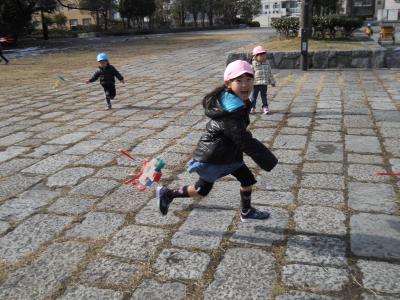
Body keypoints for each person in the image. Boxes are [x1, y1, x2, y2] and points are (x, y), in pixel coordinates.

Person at [156, 60, 278, 222]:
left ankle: (246, 211)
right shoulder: (230, 110)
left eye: (249, 80)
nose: (245, 85)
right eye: (239, 80)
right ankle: (168, 193)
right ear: (228, 83)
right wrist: (267, 158)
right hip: (214, 156)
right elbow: (243, 139)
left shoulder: (236, 101)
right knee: (201, 190)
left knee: (247, 179)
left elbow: (237, 133)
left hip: (230, 154)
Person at [250, 46, 276, 115]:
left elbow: (270, 73)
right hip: (255, 84)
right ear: (255, 56)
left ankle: (265, 107)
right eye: (261, 55)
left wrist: (272, 82)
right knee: (253, 97)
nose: (263, 57)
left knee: (264, 96)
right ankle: (252, 107)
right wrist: (249, 83)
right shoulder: (253, 64)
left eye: (264, 55)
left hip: (264, 84)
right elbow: (250, 74)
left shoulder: (267, 63)